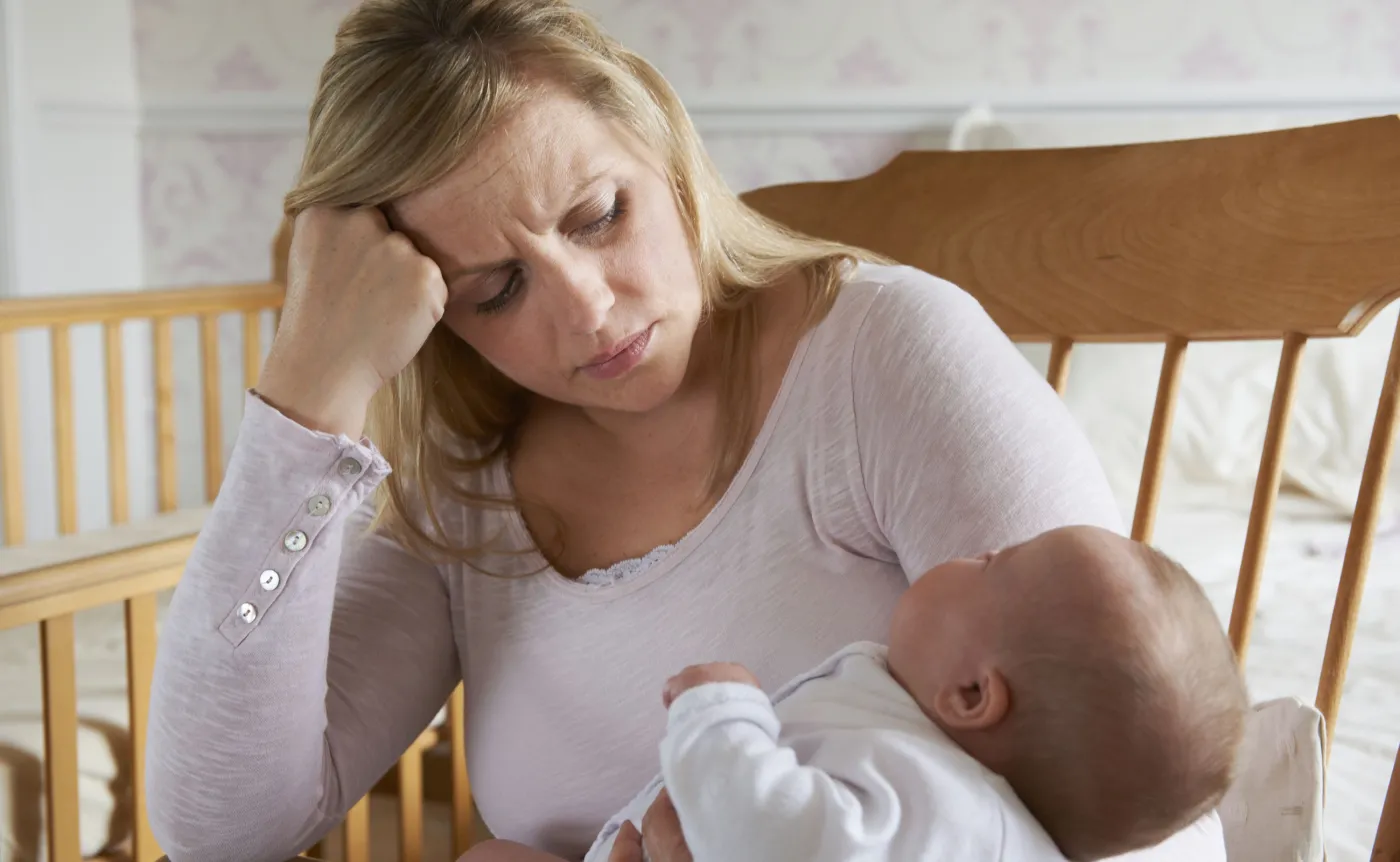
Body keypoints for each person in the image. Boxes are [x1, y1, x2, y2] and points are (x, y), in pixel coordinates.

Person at [143, 1, 1230, 860]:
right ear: (431, 314)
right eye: (496, 287)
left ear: (659, 139)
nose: (587, 309)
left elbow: (1151, 831)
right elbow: (220, 821)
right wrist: (302, 399)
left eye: (598, 216)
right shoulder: (463, 488)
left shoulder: (885, 360)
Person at [566, 527, 1248, 862]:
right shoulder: (939, 780)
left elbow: (773, 831)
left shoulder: (935, 803)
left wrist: (718, 713)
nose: (976, 549)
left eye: (992, 563)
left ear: (974, 692)